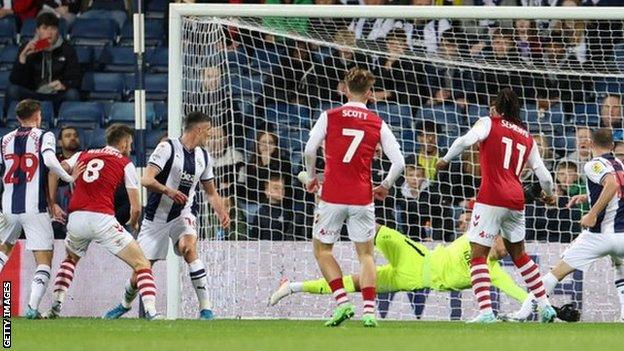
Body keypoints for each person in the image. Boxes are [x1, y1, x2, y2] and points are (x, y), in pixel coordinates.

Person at [436, 88, 557, 323]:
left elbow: (464, 140)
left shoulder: (488, 122)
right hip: (516, 199)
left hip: (491, 197)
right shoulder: (526, 136)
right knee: (520, 255)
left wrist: (445, 159)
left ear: (497, 108)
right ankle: (545, 307)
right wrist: (549, 194)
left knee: (478, 255)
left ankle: (486, 312)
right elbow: (544, 175)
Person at [302, 67, 405, 327]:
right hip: (362, 196)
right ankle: (369, 312)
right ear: (370, 94)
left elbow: (309, 149)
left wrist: (313, 177)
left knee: (323, 250)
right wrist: (385, 185)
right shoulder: (377, 122)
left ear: (344, 89)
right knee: (366, 256)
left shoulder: (329, 116)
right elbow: (399, 162)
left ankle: (343, 302)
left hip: (332, 195)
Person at [104, 112, 230, 320]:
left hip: (184, 214)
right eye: (208, 131)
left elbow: (210, 191)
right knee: (142, 268)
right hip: (157, 218)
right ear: (198, 130)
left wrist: (221, 211)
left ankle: (206, 309)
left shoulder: (204, 156)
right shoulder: (167, 148)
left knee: (188, 248)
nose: (209, 135)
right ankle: (124, 303)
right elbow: (146, 179)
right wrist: (169, 191)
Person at [270, 224, 535, 319]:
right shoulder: (476, 235)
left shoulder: (493, 271)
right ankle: (331, 216)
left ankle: (292, 287)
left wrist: (542, 307)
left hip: (410, 281)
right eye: (505, 241)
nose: (507, 247)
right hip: (416, 258)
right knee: (373, 228)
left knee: (353, 284)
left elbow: (521, 294)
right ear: (495, 235)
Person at [44, 124, 162, 319]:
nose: (130, 147)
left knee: (70, 260)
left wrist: (55, 201)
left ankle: (55, 307)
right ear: (123, 143)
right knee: (142, 264)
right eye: (130, 144)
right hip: (102, 219)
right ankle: (152, 312)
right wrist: (133, 223)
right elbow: (136, 207)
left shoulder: (83, 154)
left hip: (76, 219)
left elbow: (54, 170)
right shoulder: (125, 163)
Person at [0, 99, 80, 319]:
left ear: (17, 117)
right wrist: (69, 176)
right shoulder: (44, 135)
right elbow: (51, 161)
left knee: (2, 251)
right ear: (38, 115)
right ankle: (31, 308)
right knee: (44, 260)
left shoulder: (4, 140)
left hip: (8, 207)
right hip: (35, 209)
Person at [538, 129, 624, 322]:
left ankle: (522, 314)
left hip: (599, 235)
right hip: (621, 234)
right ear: (612, 146)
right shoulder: (619, 163)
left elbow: (612, 185)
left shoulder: (593, 164)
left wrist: (592, 213)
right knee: (621, 270)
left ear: (591, 144)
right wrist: (588, 197)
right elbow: (618, 190)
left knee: (556, 273)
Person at [7, 12, 80, 110]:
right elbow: (15, 81)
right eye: (45, 28)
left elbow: (75, 77)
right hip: (33, 95)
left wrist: (64, 85)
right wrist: (22, 58)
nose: (49, 33)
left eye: (53, 29)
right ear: (37, 31)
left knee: (72, 94)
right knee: (13, 90)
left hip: (56, 95)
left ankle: (68, 123)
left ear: (57, 31)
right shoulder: (28, 48)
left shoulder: (67, 49)